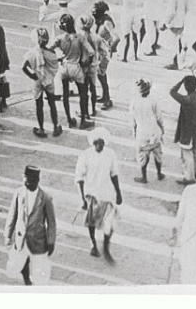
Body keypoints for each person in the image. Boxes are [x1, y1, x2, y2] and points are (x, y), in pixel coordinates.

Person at [75, 128, 123, 263]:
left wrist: (119, 192)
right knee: (92, 222)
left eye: (102, 142)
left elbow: (114, 174)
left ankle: (106, 246)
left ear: (105, 142)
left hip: (107, 193)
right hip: (92, 194)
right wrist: (82, 199)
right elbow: (79, 178)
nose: (99, 145)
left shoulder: (110, 154)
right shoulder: (85, 155)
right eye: (97, 142)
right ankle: (93, 243)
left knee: (110, 221)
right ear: (93, 142)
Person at [4, 165, 56, 286]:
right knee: (22, 261)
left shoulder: (46, 198)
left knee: (38, 266)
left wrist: (51, 241)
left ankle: (37, 285)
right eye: (25, 181)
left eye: (30, 182)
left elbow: (51, 222)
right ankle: (27, 281)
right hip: (21, 237)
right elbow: (12, 214)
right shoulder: (19, 193)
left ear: (37, 181)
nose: (27, 184)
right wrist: (8, 234)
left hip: (38, 240)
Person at [22, 27, 62, 139]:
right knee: (52, 103)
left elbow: (23, 66)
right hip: (49, 80)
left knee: (39, 105)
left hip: (37, 80)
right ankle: (55, 127)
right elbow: (55, 64)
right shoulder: (51, 52)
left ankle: (41, 129)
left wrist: (32, 75)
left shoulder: (32, 53)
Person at [170, 75, 196, 185]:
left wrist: (181, 81)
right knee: (195, 152)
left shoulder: (186, 100)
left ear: (186, 86)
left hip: (186, 132)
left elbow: (172, 92)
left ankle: (189, 178)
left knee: (187, 155)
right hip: (195, 130)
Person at [129, 79, 165, 183]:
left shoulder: (134, 102)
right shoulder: (153, 100)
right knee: (158, 154)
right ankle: (159, 174)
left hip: (142, 133)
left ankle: (144, 177)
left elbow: (133, 122)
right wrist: (162, 129)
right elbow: (159, 118)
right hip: (154, 131)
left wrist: (134, 133)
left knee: (143, 156)